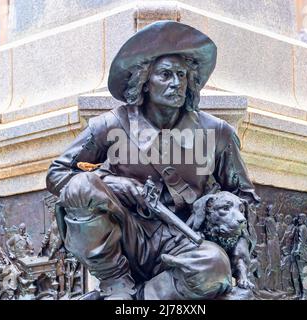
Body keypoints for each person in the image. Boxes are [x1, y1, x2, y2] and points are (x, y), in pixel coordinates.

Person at [46, 21, 259, 300]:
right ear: (145, 81)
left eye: (182, 75)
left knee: (216, 268)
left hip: (184, 241)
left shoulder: (217, 133)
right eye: (165, 75)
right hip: (126, 237)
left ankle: (139, 299)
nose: (176, 83)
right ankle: (116, 285)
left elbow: (243, 197)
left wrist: (239, 253)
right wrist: (114, 184)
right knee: (81, 186)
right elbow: (57, 174)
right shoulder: (110, 125)